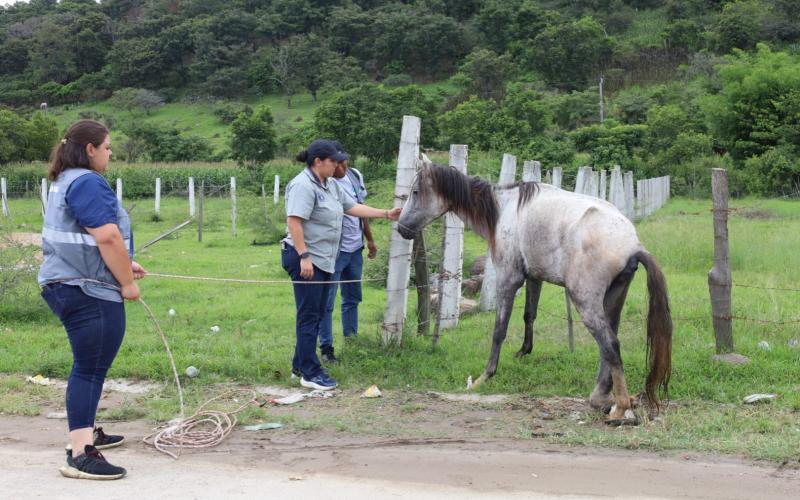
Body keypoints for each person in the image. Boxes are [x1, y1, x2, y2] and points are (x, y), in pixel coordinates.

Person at [38, 120, 146, 480]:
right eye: (108, 146)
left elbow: (79, 237)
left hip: (69, 281)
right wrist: (127, 282)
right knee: (89, 367)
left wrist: (123, 265)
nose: (110, 153)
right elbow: (108, 237)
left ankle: (85, 429)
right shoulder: (86, 181)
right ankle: (81, 450)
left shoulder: (65, 179)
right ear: (90, 149)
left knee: (90, 364)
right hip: (86, 290)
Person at [282, 139, 400, 391]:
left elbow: (352, 207)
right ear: (318, 161)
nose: (337, 164)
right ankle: (310, 373)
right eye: (333, 160)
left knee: (314, 313)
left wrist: (385, 213)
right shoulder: (303, 185)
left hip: (324, 258)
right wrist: (304, 256)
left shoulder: (331, 185)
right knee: (310, 315)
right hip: (305, 258)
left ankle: (299, 366)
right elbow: (294, 222)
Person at [317, 144, 376, 363]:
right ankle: (326, 348)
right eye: (337, 162)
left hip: (354, 249)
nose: (342, 166)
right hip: (334, 251)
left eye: (344, 161)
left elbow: (361, 209)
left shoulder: (354, 176)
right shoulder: (324, 183)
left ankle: (352, 341)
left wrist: (369, 240)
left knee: (352, 297)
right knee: (327, 301)